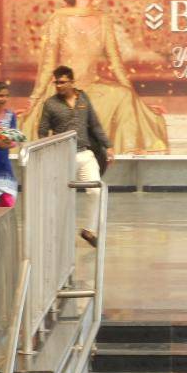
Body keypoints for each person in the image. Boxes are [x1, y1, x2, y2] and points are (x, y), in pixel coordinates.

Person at [21, 0, 169, 155]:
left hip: (93, 85)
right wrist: (34, 98)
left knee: (124, 94)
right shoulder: (59, 18)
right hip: (64, 88)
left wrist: (136, 99)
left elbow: (115, 62)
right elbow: (48, 63)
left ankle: (121, 159)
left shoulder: (103, 19)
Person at [38, 65, 113, 247]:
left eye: (62, 82)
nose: (58, 86)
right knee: (61, 197)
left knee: (96, 191)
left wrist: (108, 146)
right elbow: (42, 131)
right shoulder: (50, 104)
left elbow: (94, 125)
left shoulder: (83, 99)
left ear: (72, 82)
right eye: (56, 82)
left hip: (85, 154)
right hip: (62, 157)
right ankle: (57, 234)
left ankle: (89, 230)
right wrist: (49, 151)